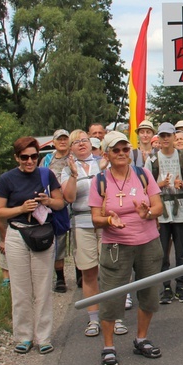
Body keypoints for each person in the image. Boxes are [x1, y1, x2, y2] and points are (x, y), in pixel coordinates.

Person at [88, 131, 164, 365]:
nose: (121, 154)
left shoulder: (143, 175)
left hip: (148, 242)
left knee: (149, 293)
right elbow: (94, 218)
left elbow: (159, 205)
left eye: (125, 150)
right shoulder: (99, 180)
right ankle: (108, 347)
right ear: (107, 154)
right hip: (116, 245)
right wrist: (110, 221)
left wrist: (148, 213)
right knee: (112, 295)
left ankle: (141, 339)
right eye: (115, 150)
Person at [0, 137, 66, 355]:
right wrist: (21, 208)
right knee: (20, 288)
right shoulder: (7, 179)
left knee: (43, 287)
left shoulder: (46, 174)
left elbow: (60, 202)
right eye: (24, 157)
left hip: (42, 233)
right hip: (17, 233)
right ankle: (23, 336)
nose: (29, 161)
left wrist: (47, 201)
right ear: (17, 157)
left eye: (34, 156)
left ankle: (43, 337)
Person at [61, 130, 126, 337]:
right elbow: (69, 198)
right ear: (70, 148)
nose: (81, 144)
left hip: (106, 222)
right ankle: (94, 319)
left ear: (91, 143)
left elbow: (115, 188)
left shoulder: (104, 163)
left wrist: (103, 171)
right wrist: (73, 175)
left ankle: (116, 317)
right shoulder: (67, 169)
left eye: (84, 140)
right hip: (82, 223)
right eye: (76, 142)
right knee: (89, 272)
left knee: (111, 270)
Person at [145, 122, 183, 304]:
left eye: (168, 135)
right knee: (162, 252)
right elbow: (146, 188)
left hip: (181, 209)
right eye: (162, 135)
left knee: (181, 251)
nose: (165, 139)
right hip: (162, 212)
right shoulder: (152, 160)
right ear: (158, 137)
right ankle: (166, 287)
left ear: (174, 137)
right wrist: (160, 185)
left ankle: (180, 286)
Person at [41, 128, 71, 293]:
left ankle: (80, 274)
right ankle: (60, 278)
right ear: (54, 141)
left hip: (72, 202)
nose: (62, 141)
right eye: (59, 139)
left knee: (73, 241)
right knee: (58, 240)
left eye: (65, 139)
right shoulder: (47, 160)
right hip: (53, 204)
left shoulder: (73, 157)